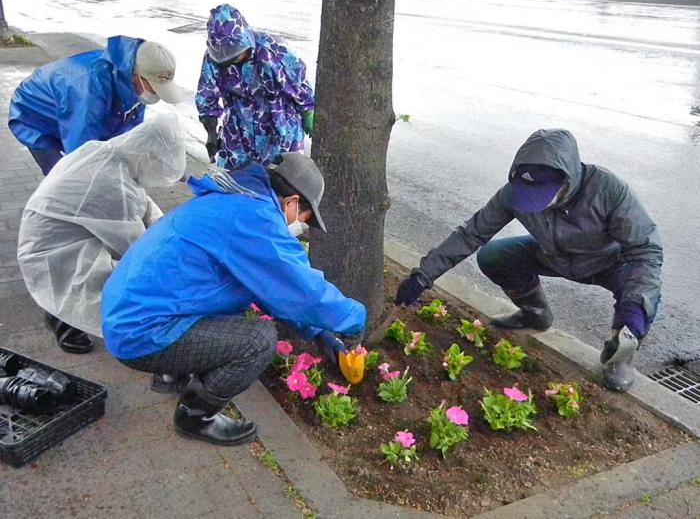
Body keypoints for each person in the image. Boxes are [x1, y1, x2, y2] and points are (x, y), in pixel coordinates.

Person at [101, 152, 365, 446]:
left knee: (232, 309)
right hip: (140, 333)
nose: (299, 224)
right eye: (304, 216)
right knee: (259, 340)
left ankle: (170, 375)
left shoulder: (235, 201)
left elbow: (269, 290)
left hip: (129, 313)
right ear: (290, 200)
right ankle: (194, 416)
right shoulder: (256, 220)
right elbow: (302, 289)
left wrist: (318, 333)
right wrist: (354, 320)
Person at [394, 129, 662, 393]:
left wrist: (633, 318)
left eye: (542, 194)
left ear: (567, 179)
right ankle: (535, 315)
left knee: (637, 296)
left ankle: (621, 351)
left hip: (609, 263)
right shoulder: (513, 193)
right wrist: (423, 276)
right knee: (494, 255)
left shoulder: (608, 190)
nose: (534, 202)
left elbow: (646, 252)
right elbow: (471, 233)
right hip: (554, 256)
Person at [17, 114, 187, 354]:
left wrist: (171, 230)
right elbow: (135, 252)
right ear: (148, 156)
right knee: (128, 278)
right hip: (52, 252)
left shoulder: (107, 154)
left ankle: (63, 313)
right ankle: (70, 322)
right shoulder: (111, 184)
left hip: (58, 236)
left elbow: (144, 206)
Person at [8, 36, 183, 175]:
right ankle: (61, 214)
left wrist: (160, 162)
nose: (156, 94)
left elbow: (130, 134)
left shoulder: (134, 78)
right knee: (65, 176)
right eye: (154, 88)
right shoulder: (89, 89)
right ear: (136, 75)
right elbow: (80, 151)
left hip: (74, 109)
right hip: (34, 114)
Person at [196, 4, 315, 171]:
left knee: (281, 179)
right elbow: (206, 95)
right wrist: (211, 131)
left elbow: (298, 83)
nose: (232, 58)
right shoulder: (213, 58)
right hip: (238, 125)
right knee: (237, 178)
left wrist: (308, 110)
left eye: (235, 52)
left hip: (278, 122)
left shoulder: (271, 50)